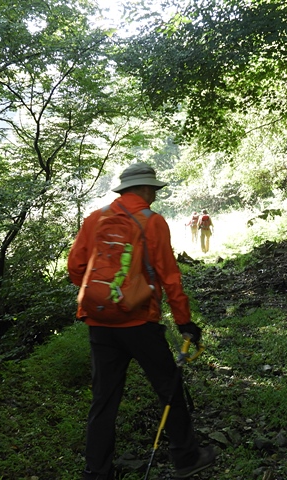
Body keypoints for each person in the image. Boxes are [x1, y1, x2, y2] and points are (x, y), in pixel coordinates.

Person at [68, 163, 216, 480]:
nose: (155, 196)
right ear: (146, 189)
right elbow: (170, 277)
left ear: (123, 190)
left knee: (103, 400)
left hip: (99, 323)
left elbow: (75, 268)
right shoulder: (152, 222)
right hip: (140, 322)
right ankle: (187, 457)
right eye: (154, 191)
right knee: (169, 387)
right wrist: (185, 322)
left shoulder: (95, 219)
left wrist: (105, 298)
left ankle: (97, 472)